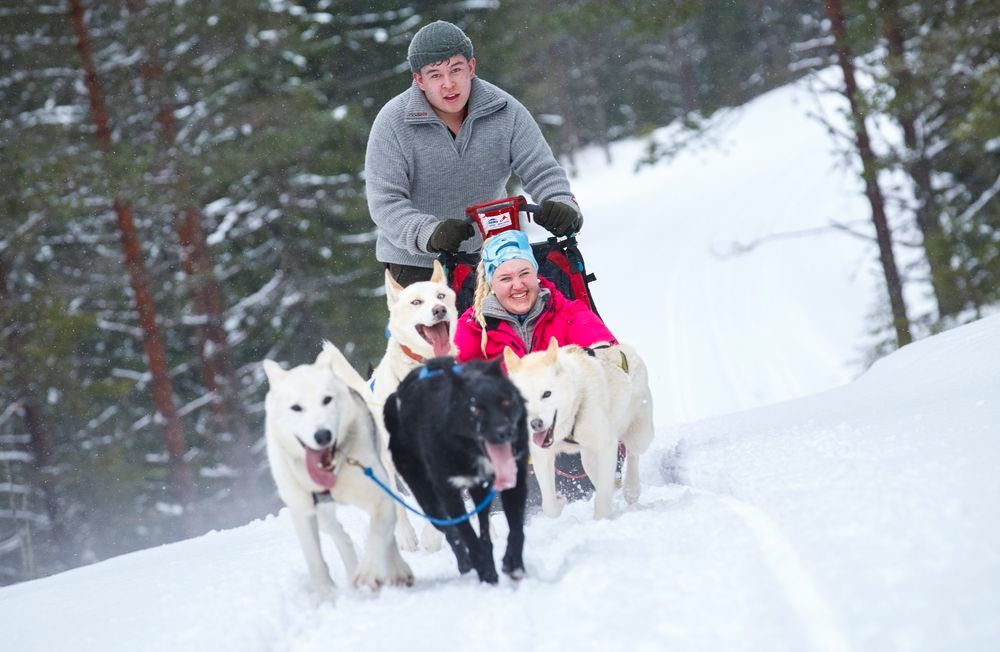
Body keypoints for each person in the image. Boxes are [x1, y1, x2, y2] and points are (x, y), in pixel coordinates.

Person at [365, 20, 583, 287]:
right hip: (417, 266)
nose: (448, 84)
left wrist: (563, 205)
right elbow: (385, 202)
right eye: (435, 75)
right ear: (419, 80)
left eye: (455, 69)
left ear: (470, 67)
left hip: (492, 256)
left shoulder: (505, 110)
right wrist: (429, 233)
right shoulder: (392, 122)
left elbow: (542, 170)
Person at [454, 230, 615, 363]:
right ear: (492, 285)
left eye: (524, 273)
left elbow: (613, 357)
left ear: (536, 274)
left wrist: (600, 357)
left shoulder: (569, 313)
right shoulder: (473, 326)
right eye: (505, 279)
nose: (517, 285)